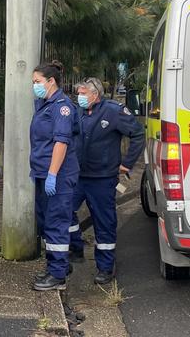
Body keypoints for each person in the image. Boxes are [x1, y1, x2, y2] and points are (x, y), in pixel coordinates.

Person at [69, 77, 144, 284]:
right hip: (77, 176)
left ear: (96, 95)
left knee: (104, 223)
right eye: (79, 94)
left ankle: (105, 267)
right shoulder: (78, 112)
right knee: (64, 212)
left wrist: (127, 164)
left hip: (102, 179)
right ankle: (75, 247)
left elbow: (138, 134)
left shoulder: (113, 111)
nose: (80, 97)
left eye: (84, 94)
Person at [29, 61, 80, 291]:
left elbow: (61, 142)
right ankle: (54, 267)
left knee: (57, 222)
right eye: (33, 82)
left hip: (57, 175)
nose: (35, 86)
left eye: (37, 82)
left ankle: (57, 275)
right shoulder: (44, 105)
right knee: (46, 222)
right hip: (43, 173)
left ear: (51, 81)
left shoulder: (62, 107)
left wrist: (51, 174)